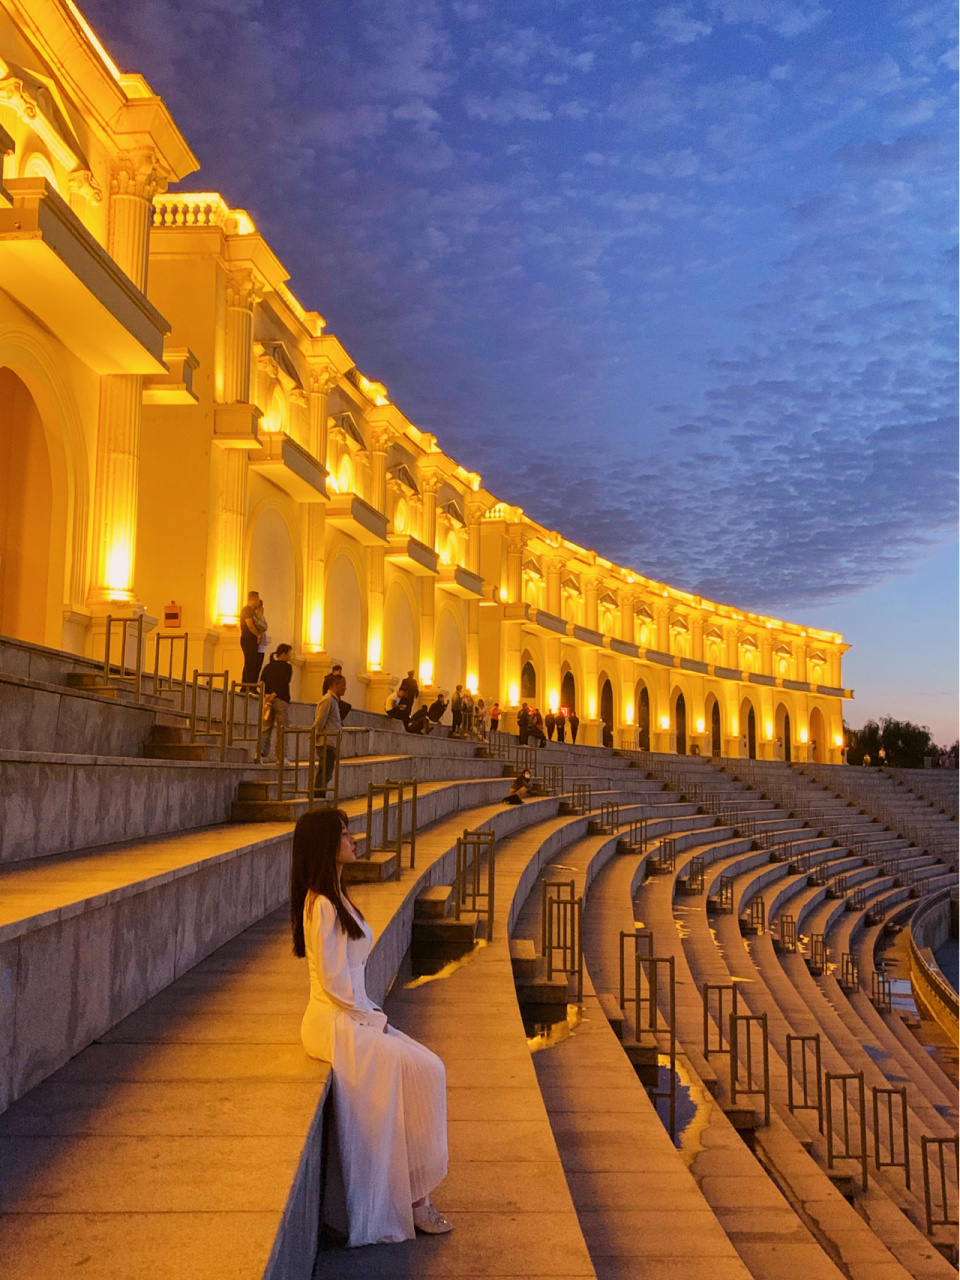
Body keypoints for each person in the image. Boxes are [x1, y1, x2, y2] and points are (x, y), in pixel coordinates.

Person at [292, 808, 451, 1244]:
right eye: (345, 835)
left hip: (356, 1013)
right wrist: (369, 1021)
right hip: (334, 1020)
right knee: (414, 1070)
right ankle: (414, 1201)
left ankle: (415, 1191)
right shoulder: (321, 904)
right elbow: (332, 981)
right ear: (327, 845)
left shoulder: (336, 895)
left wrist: (370, 1017)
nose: (354, 840)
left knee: (429, 1068)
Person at [261, 644, 293, 760]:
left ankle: (260, 752)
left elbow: (262, 681)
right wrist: (275, 694)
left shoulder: (268, 666)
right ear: (284, 654)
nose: (290, 657)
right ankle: (281, 756)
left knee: (265, 727)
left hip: (268, 701)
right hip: (281, 699)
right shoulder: (287, 667)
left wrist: (268, 695)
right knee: (282, 729)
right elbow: (284, 682)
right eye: (289, 654)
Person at [314, 674, 346, 789]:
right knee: (324, 772)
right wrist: (314, 735)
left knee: (327, 772)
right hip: (326, 742)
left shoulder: (334, 700)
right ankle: (318, 794)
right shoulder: (328, 700)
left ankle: (321, 792)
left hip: (331, 742)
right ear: (335, 685)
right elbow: (320, 720)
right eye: (343, 685)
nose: (345, 688)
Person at [240, 590, 264, 685]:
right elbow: (249, 624)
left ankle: (252, 685)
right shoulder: (246, 610)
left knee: (254, 663)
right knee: (249, 663)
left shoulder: (252, 611)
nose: (258, 601)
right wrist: (257, 634)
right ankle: (246, 685)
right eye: (257, 599)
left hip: (253, 640)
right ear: (253, 599)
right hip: (248, 639)